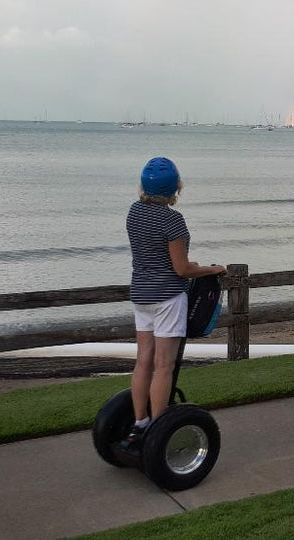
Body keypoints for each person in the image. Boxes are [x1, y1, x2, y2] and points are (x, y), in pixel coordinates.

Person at [124, 157, 224, 446]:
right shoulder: (172, 220)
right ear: (175, 187)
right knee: (164, 365)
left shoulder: (134, 212)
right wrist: (211, 269)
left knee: (143, 360)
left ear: (144, 185)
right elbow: (181, 269)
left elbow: (153, 254)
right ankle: (159, 430)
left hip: (142, 295)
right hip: (167, 298)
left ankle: (140, 423)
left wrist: (188, 266)